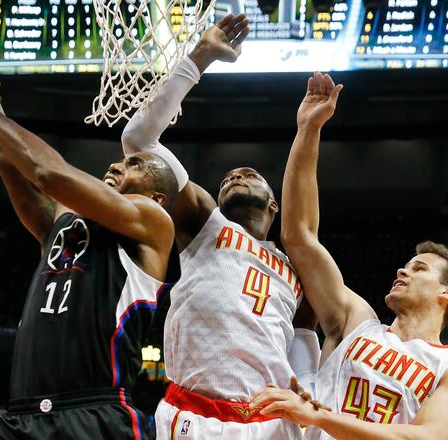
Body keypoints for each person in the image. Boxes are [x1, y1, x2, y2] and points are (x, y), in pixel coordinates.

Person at [0, 16, 180, 439]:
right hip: (21, 417)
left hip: (95, 415)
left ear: (157, 197)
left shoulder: (153, 223)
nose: (117, 163)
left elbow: (48, 172)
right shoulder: (63, 222)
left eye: (136, 164)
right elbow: (2, 152)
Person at [249, 72, 448, 439]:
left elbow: (425, 438)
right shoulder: (357, 321)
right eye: (406, 266)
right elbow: (298, 236)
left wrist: (319, 419)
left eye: (419, 269)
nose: (402, 272)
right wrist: (308, 129)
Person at [121, 14, 316, 439]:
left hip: (272, 421)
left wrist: (310, 405)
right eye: (227, 177)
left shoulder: (299, 267)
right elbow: (139, 144)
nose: (235, 175)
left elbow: (303, 335)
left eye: (249, 174)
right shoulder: (205, 225)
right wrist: (200, 58)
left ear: (274, 204)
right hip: (198, 412)